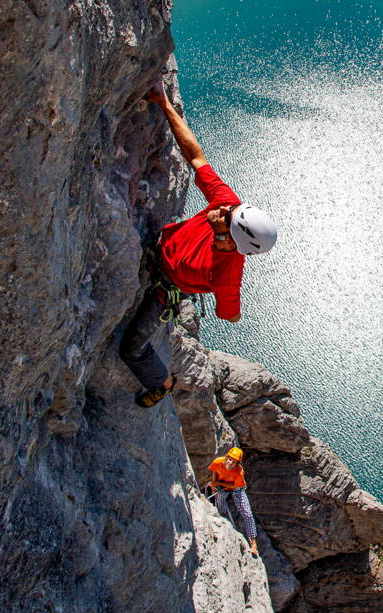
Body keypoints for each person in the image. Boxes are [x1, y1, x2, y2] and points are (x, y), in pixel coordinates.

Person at [120, 82, 278, 407]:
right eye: (230, 209)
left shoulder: (228, 273)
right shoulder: (227, 203)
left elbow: (231, 315)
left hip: (166, 287)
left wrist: (223, 292)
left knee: (132, 348)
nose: (222, 209)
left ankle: (162, 383)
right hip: (157, 249)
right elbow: (195, 156)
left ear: (232, 240)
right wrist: (165, 105)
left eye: (226, 217)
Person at [206, 447, 259, 556]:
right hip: (221, 485)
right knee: (220, 500)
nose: (230, 463)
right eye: (230, 459)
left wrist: (219, 484)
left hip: (236, 489)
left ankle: (253, 544)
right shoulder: (218, 462)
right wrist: (215, 484)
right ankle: (221, 518)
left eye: (234, 462)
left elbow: (235, 486)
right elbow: (215, 471)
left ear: (237, 464)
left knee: (247, 514)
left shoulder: (239, 471)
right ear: (227, 458)